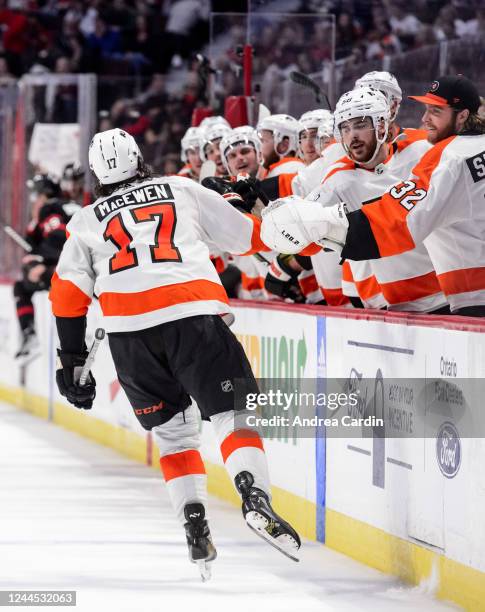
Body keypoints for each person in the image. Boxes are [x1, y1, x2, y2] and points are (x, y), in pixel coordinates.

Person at [49, 128, 300, 578]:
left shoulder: (86, 220)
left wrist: (70, 359)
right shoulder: (180, 188)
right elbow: (248, 238)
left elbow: (67, 295)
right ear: (140, 158)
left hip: (129, 335)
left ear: (97, 174)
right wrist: (300, 234)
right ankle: (254, 495)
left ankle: (193, 519)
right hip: (192, 313)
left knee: (174, 436)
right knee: (234, 413)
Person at [260, 75, 485, 316]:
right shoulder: (340, 174)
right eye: (345, 128)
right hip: (403, 300)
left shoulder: (440, 155)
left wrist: (327, 230)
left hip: (470, 298)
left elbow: (398, 220)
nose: (424, 118)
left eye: (435, 111)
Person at [13, 175, 80, 363]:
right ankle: (30, 335)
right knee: (24, 283)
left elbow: (59, 239)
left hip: (75, 270)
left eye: (36, 196)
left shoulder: (51, 208)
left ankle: (32, 336)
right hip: (80, 267)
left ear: (45, 194)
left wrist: (40, 259)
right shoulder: (62, 207)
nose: (34, 201)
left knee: (27, 281)